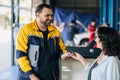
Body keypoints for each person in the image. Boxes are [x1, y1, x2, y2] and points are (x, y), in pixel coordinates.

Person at [16, 3, 71, 80]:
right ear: (38, 15)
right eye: (47, 15)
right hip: (29, 76)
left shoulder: (55, 31)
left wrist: (63, 54)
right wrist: (32, 76)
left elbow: (61, 48)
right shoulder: (25, 30)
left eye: (51, 15)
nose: (50, 18)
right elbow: (21, 55)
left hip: (50, 75)